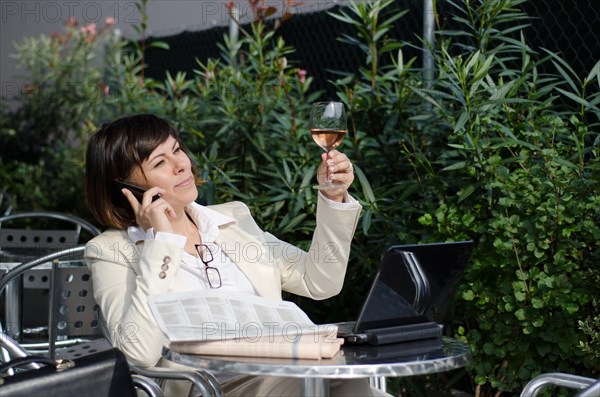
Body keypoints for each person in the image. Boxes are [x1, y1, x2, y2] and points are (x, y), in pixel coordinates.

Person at [84, 113, 382, 396]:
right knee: (333, 383)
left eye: (177, 150)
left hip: (288, 369)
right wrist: (160, 242)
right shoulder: (111, 251)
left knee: (347, 378)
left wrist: (333, 198)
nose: (181, 165)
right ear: (126, 189)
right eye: (160, 162)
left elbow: (320, 280)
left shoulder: (231, 221)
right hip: (210, 388)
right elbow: (137, 354)